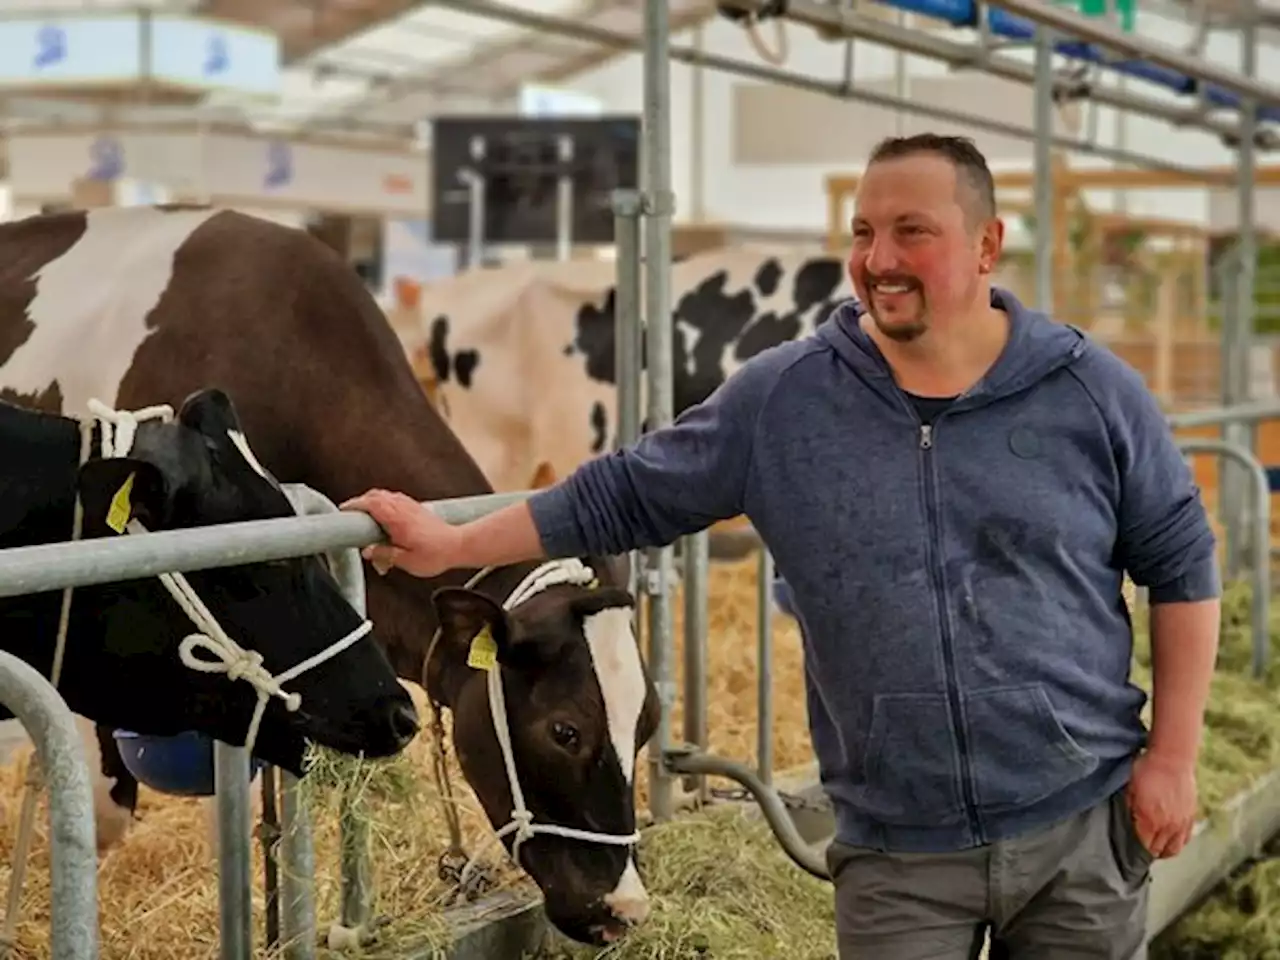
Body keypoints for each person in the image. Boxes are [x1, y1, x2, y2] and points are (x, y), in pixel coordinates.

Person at [343, 133, 1221, 959]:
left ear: (988, 245)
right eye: (865, 232)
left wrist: (1173, 760)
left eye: (913, 232)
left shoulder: (1089, 392)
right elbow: (621, 495)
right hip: (898, 856)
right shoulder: (784, 399)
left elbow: (1182, 564)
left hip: (1078, 831)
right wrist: (453, 539)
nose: (880, 260)